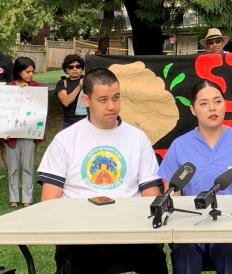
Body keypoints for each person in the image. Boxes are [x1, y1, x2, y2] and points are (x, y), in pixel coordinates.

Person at [38, 68, 167, 274]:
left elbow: (151, 194)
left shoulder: (138, 138)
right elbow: (49, 201)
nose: (112, 106)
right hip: (82, 234)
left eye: (116, 98)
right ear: (86, 100)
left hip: (131, 230)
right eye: (103, 99)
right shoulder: (66, 139)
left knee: (154, 258)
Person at [158, 80, 232, 274]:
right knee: (185, 247)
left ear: (225, 105)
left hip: (231, 227)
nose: (212, 108)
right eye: (204, 103)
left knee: (227, 245)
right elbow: (172, 200)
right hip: (191, 228)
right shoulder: (179, 146)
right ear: (193, 110)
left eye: (217, 101)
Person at [5, 57, 43, 209]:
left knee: (28, 166)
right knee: (13, 167)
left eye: (32, 71)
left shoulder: (36, 87)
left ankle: (27, 198)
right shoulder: (8, 88)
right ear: (19, 71)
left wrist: (29, 92)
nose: (31, 75)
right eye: (28, 71)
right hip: (12, 135)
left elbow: (40, 107)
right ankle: (13, 197)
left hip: (29, 134)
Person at [55, 54, 87, 129]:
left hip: (86, 122)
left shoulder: (89, 80)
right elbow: (66, 102)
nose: (75, 69)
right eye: (71, 67)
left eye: (78, 66)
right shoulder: (62, 83)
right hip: (69, 124)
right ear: (66, 69)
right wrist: (79, 86)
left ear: (82, 68)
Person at [0, 51, 13, 168]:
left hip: (3, 107)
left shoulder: (6, 60)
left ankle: (11, 173)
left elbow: (11, 82)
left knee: (4, 141)